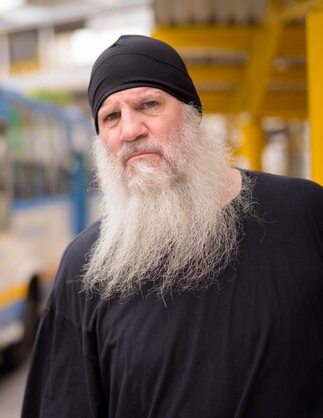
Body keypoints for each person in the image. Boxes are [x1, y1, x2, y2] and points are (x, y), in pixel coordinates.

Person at [21, 34, 323, 417]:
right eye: (111, 117)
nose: (130, 130)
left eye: (149, 104)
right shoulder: (84, 266)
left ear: (192, 115)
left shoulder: (304, 213)